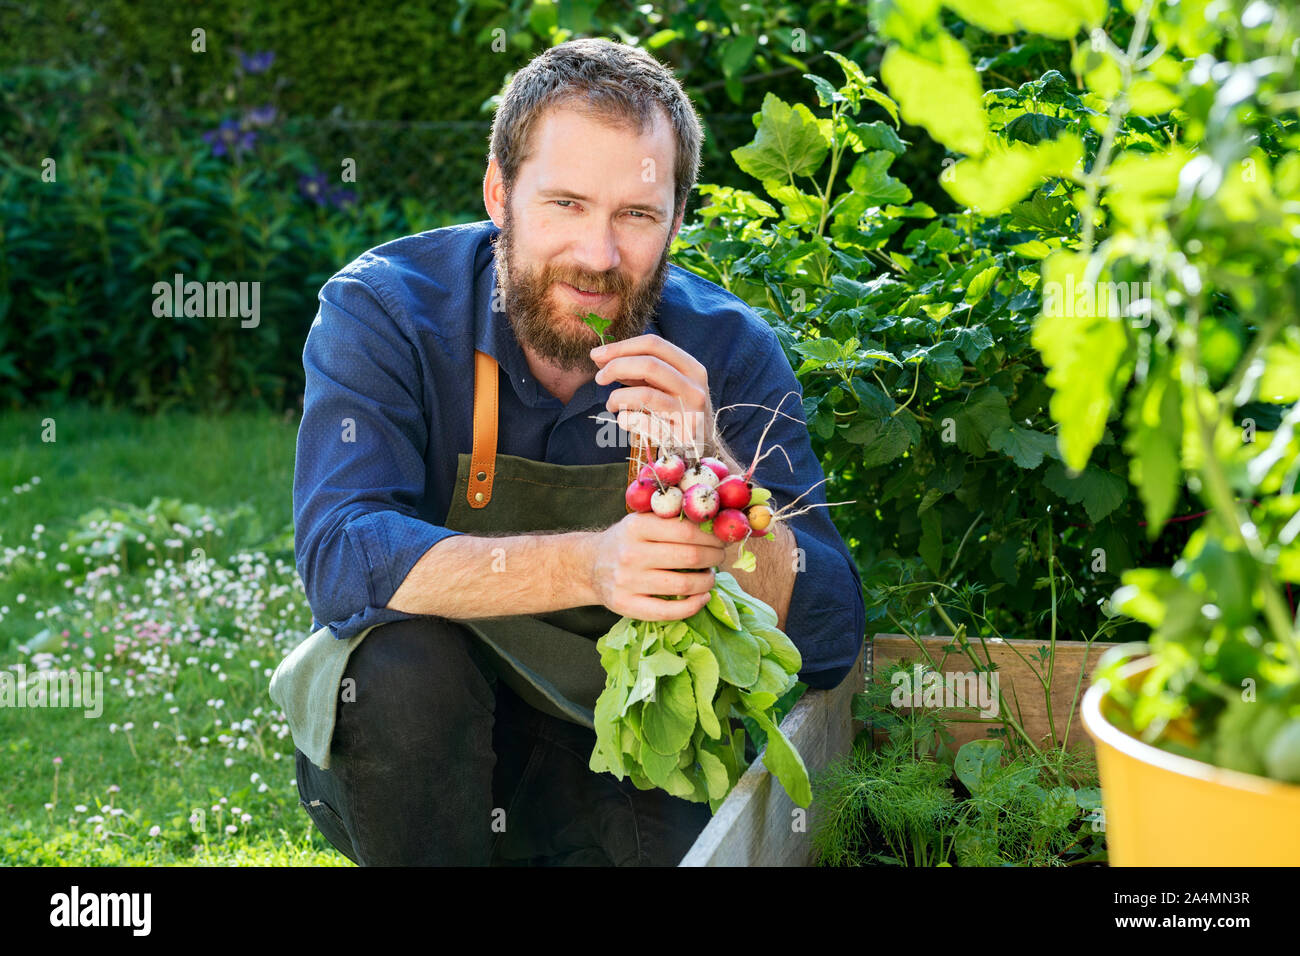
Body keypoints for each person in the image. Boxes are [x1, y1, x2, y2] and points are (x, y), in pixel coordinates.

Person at [270, 37, 864, 867]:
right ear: (499, 192)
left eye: (636, 215)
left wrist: (718, 470)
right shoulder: (388, 312)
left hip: (627, 740)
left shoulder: (724, 350)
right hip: (432, 741)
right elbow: (341, 553)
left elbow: (831, 627)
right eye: (566, 205)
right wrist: (593, 564)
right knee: (399, 668)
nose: (598, 256)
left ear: (676, 222)